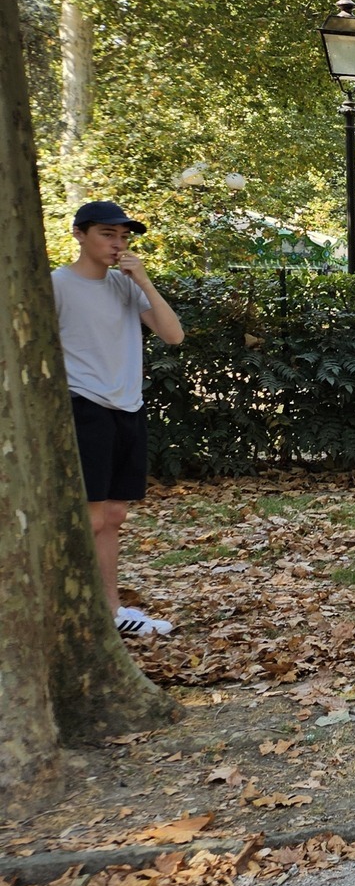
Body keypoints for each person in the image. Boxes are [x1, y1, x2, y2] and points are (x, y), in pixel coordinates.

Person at [52, 200, 185, 637]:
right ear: (79, 234)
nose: (118, 243)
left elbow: (173, 334)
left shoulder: (126, 286)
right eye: (108, 234)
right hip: (82, 405)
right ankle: (86, 611)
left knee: (113, 517)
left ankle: (111, 613)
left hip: (127, 406)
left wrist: (143, 280)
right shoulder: (55, 285)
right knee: (89, 518)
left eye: (124, 236)